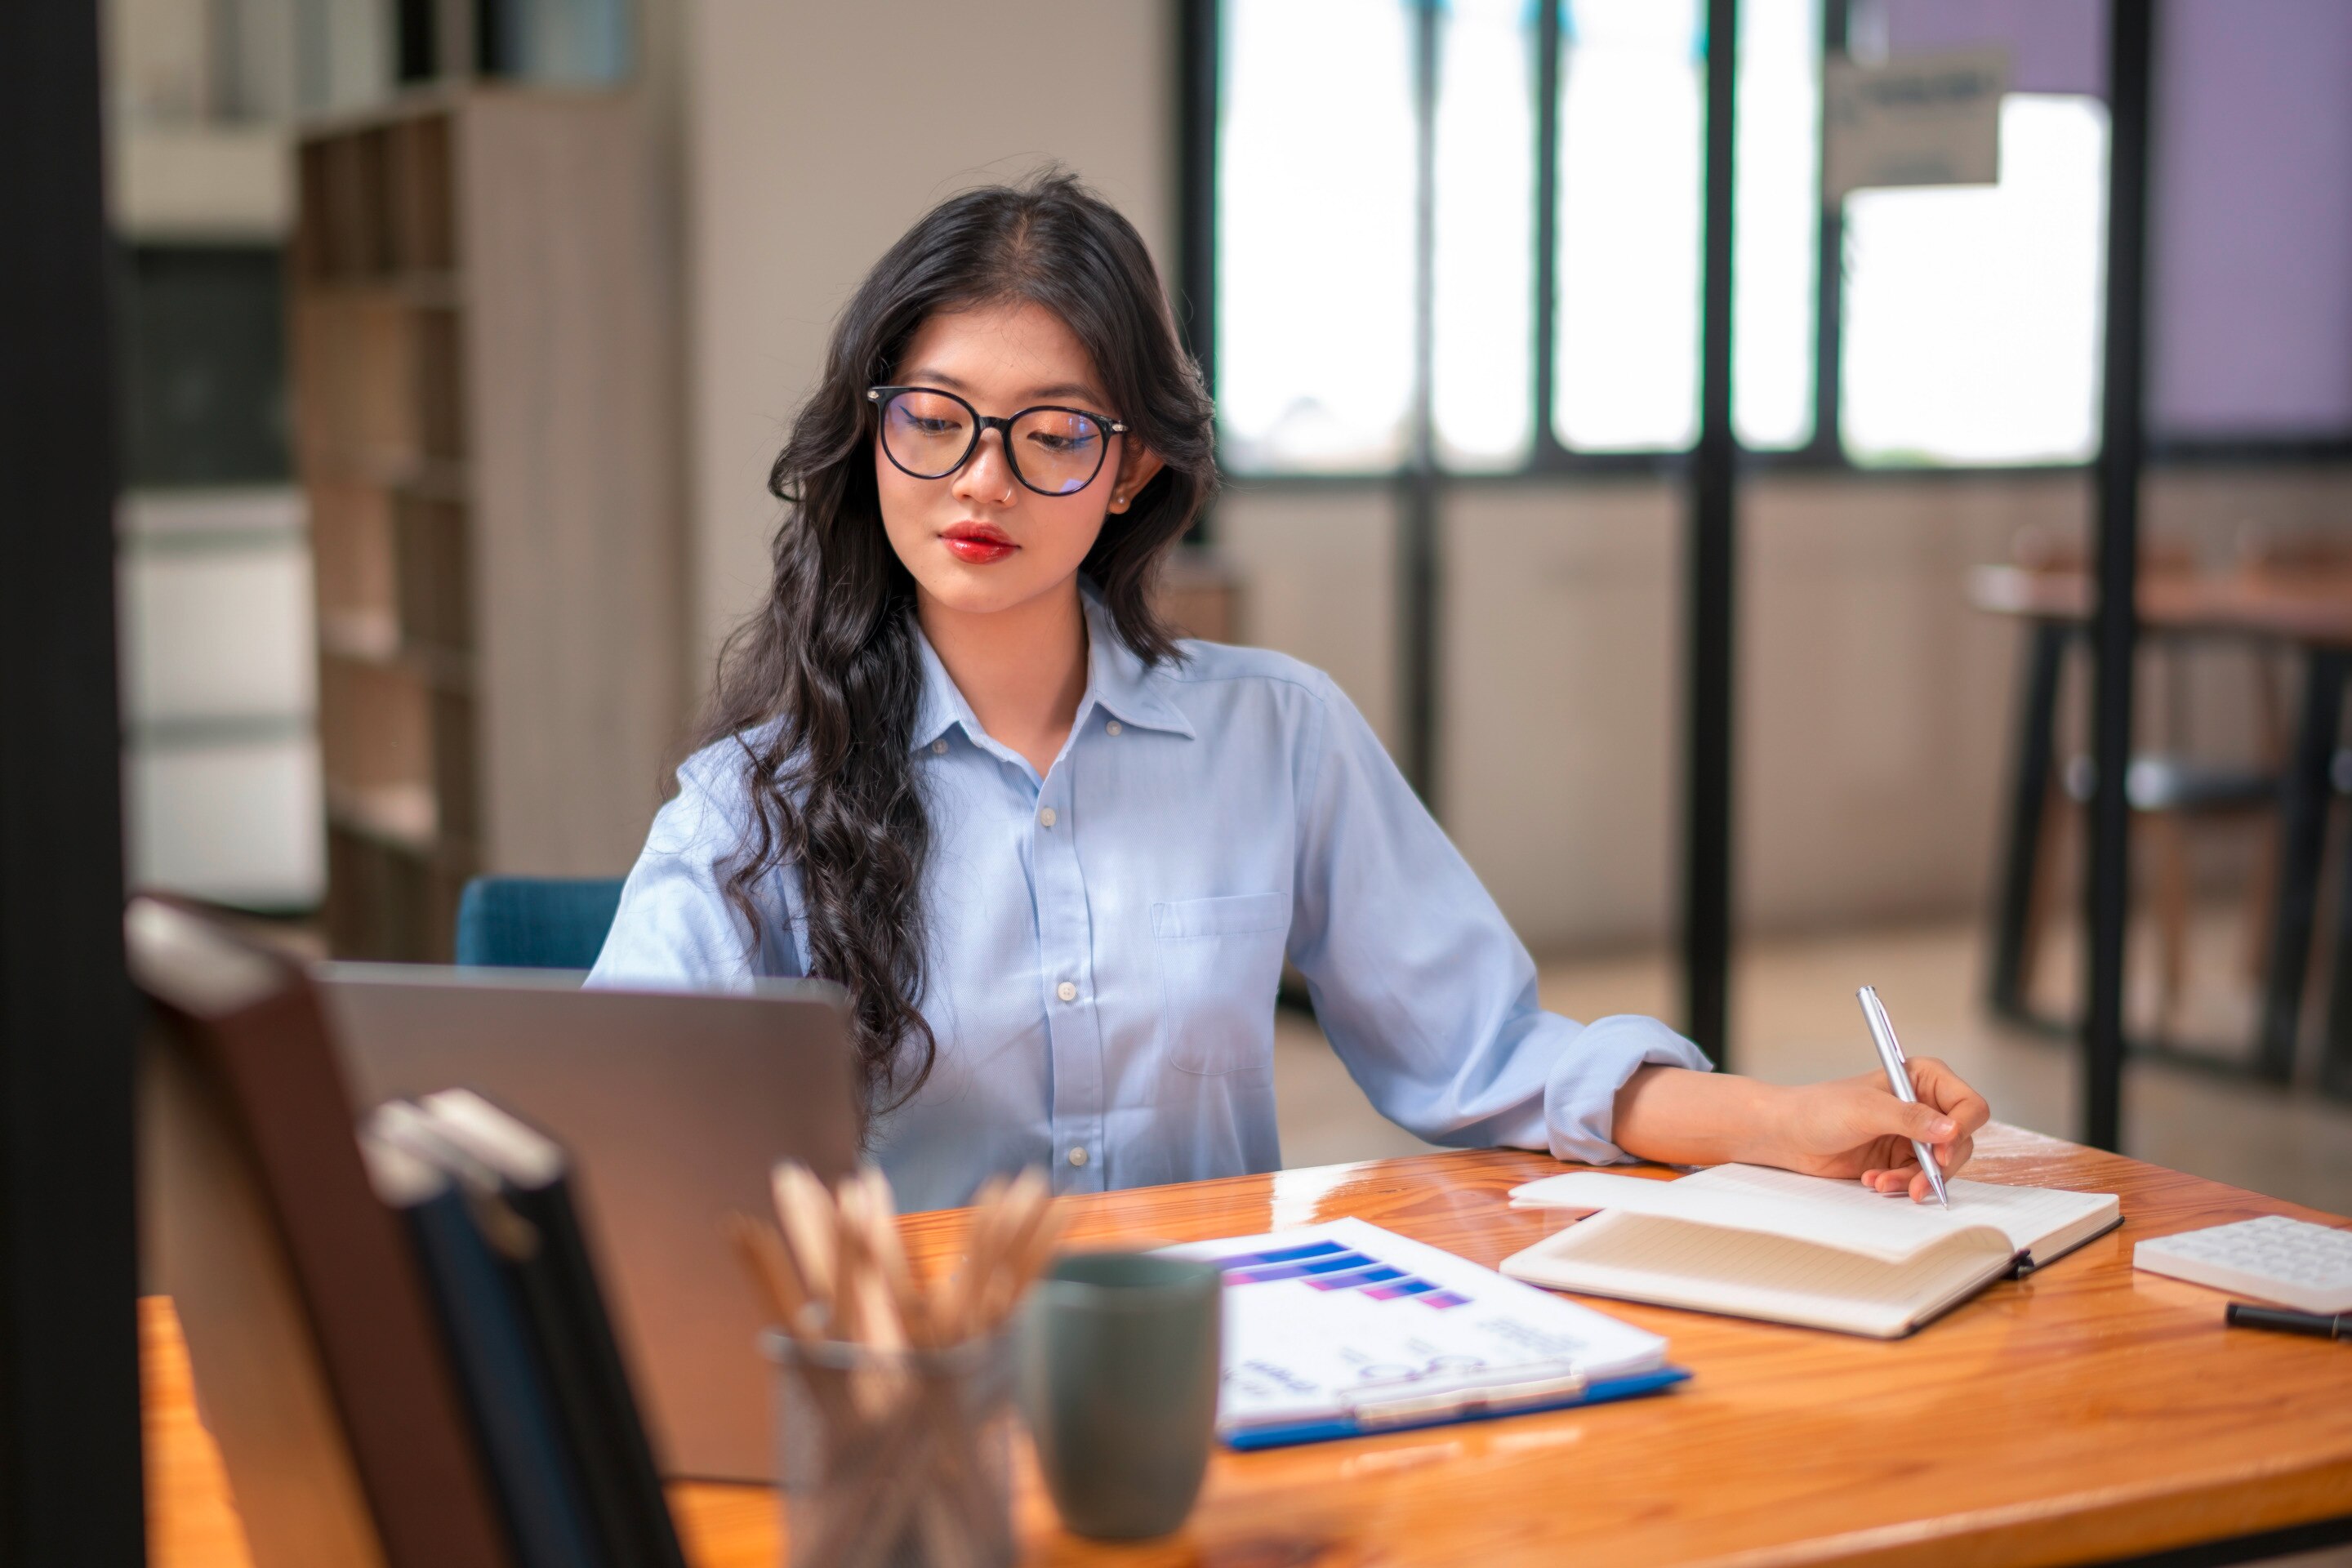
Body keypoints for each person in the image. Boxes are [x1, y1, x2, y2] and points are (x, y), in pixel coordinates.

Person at [589, 172, 1989, 1214]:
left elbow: (1487, 1055)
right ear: (873, 432)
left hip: (1227, 1359)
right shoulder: (756, 798)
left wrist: (1785, 1117)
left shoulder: (1278, 735)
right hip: (926, 1386)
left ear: (1132, 468)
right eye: (935, 419)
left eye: (1053, 434)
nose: (982, 479)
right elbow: (605, 1105)